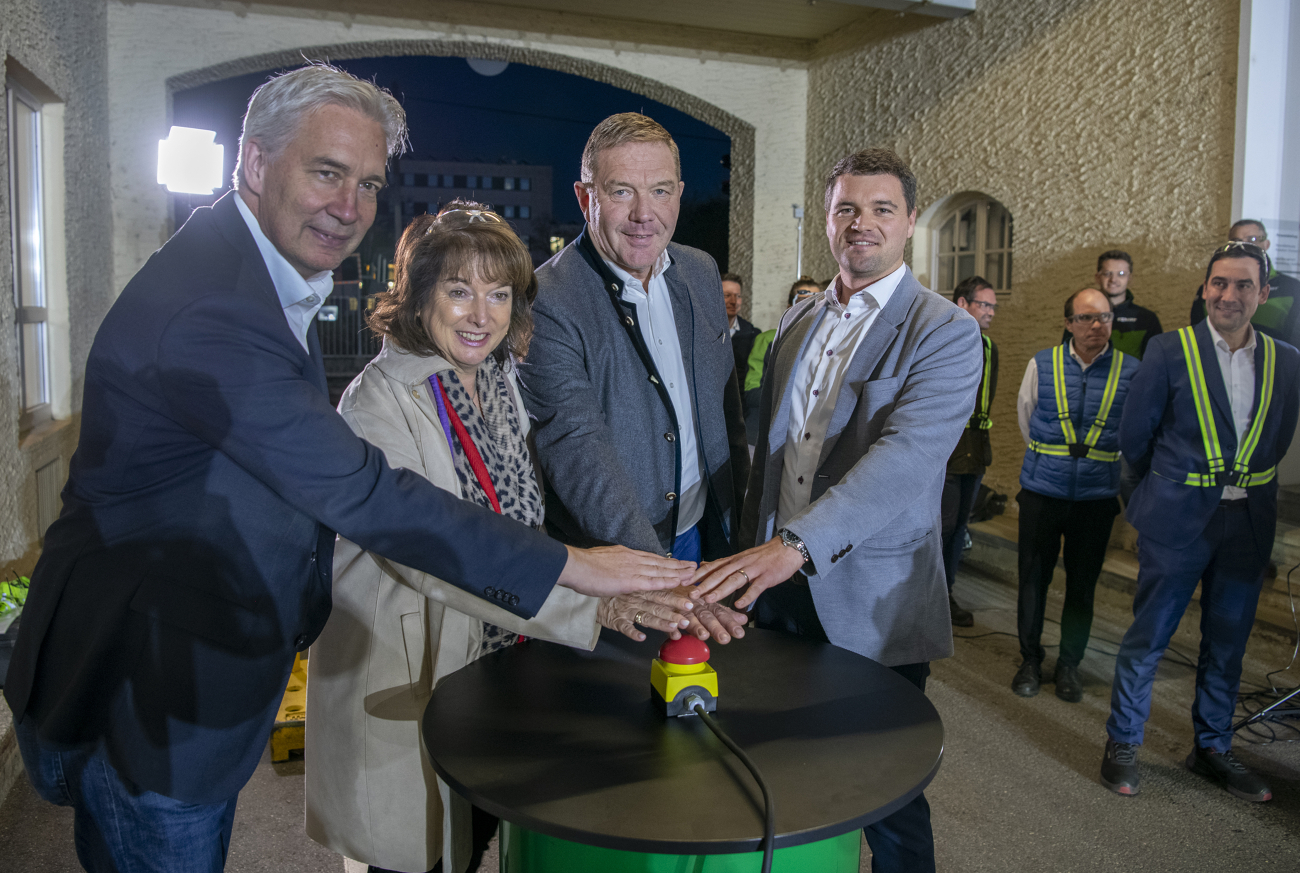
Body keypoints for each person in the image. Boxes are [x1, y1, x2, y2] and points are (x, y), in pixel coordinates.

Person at [5, 66, 690, 873]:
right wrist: (582, 574)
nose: (349, 204)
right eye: (326, 172)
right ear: (255, 164)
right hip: (153, 689)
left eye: (367, 182)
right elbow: (370, 497)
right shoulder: (215, 308)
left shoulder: (260, 280)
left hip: (212, 665)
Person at [304, 203, 704, 873]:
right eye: (458, 290)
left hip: (494, 661)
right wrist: (591, 602)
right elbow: (431, 552)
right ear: (416, 292)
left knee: (474, 839)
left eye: (498, 293)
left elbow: (523, 519)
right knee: (414, 856)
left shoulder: (498, 381)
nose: (480, 313)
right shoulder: (378, 401)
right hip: (414, 662)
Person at [695, 148, 983, 873]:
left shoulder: (944, 330)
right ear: (827, 220)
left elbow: (905, 460)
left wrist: (794, 542)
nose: (863, 224)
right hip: (778, 589)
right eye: (846, 208)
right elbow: (771, 450)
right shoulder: (797, 319)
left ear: (911, 221)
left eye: (882, 208)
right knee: (779, 772)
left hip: (871, 600)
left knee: (883, 789)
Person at [521, 113, 749, 646]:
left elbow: (725, 407)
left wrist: (736, 528)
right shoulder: (547, 299)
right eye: (622, 191)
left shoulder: (700, 271)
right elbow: (575, 445)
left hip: (703, 529)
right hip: (615, 553)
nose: (645, 214)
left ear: (679, 193)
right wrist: (656, 576)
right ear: (585, 197)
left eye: (661, 191)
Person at [1102, 241, 1300, 801]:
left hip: (1246, 525)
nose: (1228, 295)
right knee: (1149, 639)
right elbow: (1134, 441)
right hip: (1177, 523)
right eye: (1219, 283)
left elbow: (1277, 439)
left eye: (1242, 285)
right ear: (1204, 289)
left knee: (1228, 644)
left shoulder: (1287, 360)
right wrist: (1153, 503)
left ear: (1262, 294)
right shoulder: (1168, 351)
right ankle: (1123, 742)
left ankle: (1211, 748)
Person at [1011, 288, 1138, 702]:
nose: (1096, 326)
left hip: (1097, 499)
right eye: (1085, 318)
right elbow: (1026, 418)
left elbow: (1134, 433)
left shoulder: (1132, 371)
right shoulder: (1041, 364)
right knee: (1033, 580)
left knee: (1082, 587)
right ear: (1068, 324)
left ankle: (1069, 664)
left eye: (1104, 318)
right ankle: (1030, 659)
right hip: (1042, 493)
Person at [942, 275, 999, 627]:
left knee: (959, 528)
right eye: (985, 305)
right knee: (941, 526)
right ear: (963, 303)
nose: (992, 312)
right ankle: (927, 594)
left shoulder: (990, 346)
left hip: (975, 453)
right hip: (946, 453)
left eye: (994, 306)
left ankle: (945, 592)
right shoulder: (943, 340)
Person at [1191, 220, 1300, 347]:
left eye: (1252, 239)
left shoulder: (1291, 287)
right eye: (1236, 241)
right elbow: (1197, 337)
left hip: (1275, 362)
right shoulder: (1210, 290)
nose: (1244, 245)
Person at [742, 276, 822, 444]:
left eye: (817, 301)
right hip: (762, 436)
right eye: (802, 302)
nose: (811, 307)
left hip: (805, 440)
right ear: (790, 307)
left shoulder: (828, 343)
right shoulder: (769, 339)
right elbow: (752, 392)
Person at [1064, 251, 1162, 359]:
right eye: (1107, 273)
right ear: (1097, 277)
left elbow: (1155, 362)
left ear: (1130, 278)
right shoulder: (1080, 314)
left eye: (1121, 274)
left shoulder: (1147, 319)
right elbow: (1066, 357)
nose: (1113, 279)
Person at [723, 272, 761, 386]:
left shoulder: (753, 334)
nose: (734, 301)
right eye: (727, 295)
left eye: (738, 296)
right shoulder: (702, 333)